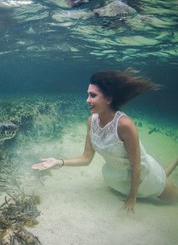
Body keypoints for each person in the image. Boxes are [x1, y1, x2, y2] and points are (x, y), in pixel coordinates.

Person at [32, 68, 178, 213]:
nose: (87, 100)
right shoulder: (91, 121)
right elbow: (86, 158)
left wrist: (132, 197)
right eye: (88, 95)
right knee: (163, 175)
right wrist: (58, 162)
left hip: (145, 178)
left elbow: (137, 166)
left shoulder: (125, 125)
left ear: (108, 99)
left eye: (92, 95)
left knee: (173, 198)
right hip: (117, 179)